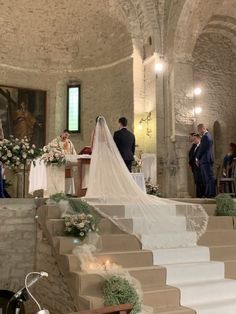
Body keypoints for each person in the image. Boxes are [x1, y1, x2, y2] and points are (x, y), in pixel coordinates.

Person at [196, 124, 216, 198]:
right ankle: (208, 193)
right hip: (205, 159)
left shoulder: (206, 136)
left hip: (206, 159)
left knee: (209, 177)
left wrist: (197, 158)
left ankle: (211, 194)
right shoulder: (207, 136)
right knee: (206, 178)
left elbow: (202, 148)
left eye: (199, 130)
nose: (199, 131)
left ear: (202, 128)